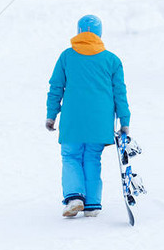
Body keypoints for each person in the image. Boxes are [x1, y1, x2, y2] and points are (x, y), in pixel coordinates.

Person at [45, 15, 131, 217]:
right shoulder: (112, 60)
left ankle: (75, 197)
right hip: (100, 121)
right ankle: (92, 204)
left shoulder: (67, 56)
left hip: (72, 119)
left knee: (71, 156)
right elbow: (120, 93)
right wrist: (124, 121)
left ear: (78, 31)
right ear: (100, 33)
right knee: (92, 158)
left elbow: (56, 87)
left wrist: (51, 116)